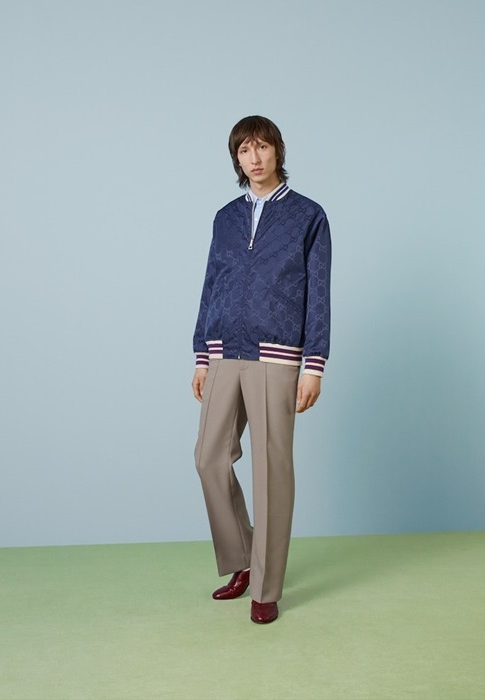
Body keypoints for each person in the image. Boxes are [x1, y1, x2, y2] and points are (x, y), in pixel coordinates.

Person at [191, 115, 331, 624]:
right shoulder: (225, 218)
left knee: (271, 470)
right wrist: (202, 354)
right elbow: (212, 284)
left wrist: (314, 365)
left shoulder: (308, 216)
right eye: (244, 150)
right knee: (209, 458)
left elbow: (319, 292)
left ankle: (266, 590)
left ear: (278, 151)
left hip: (277, 355)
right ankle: (245, 560)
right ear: (236, 158)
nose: (254, 158)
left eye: (262, 147)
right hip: (224, 351)